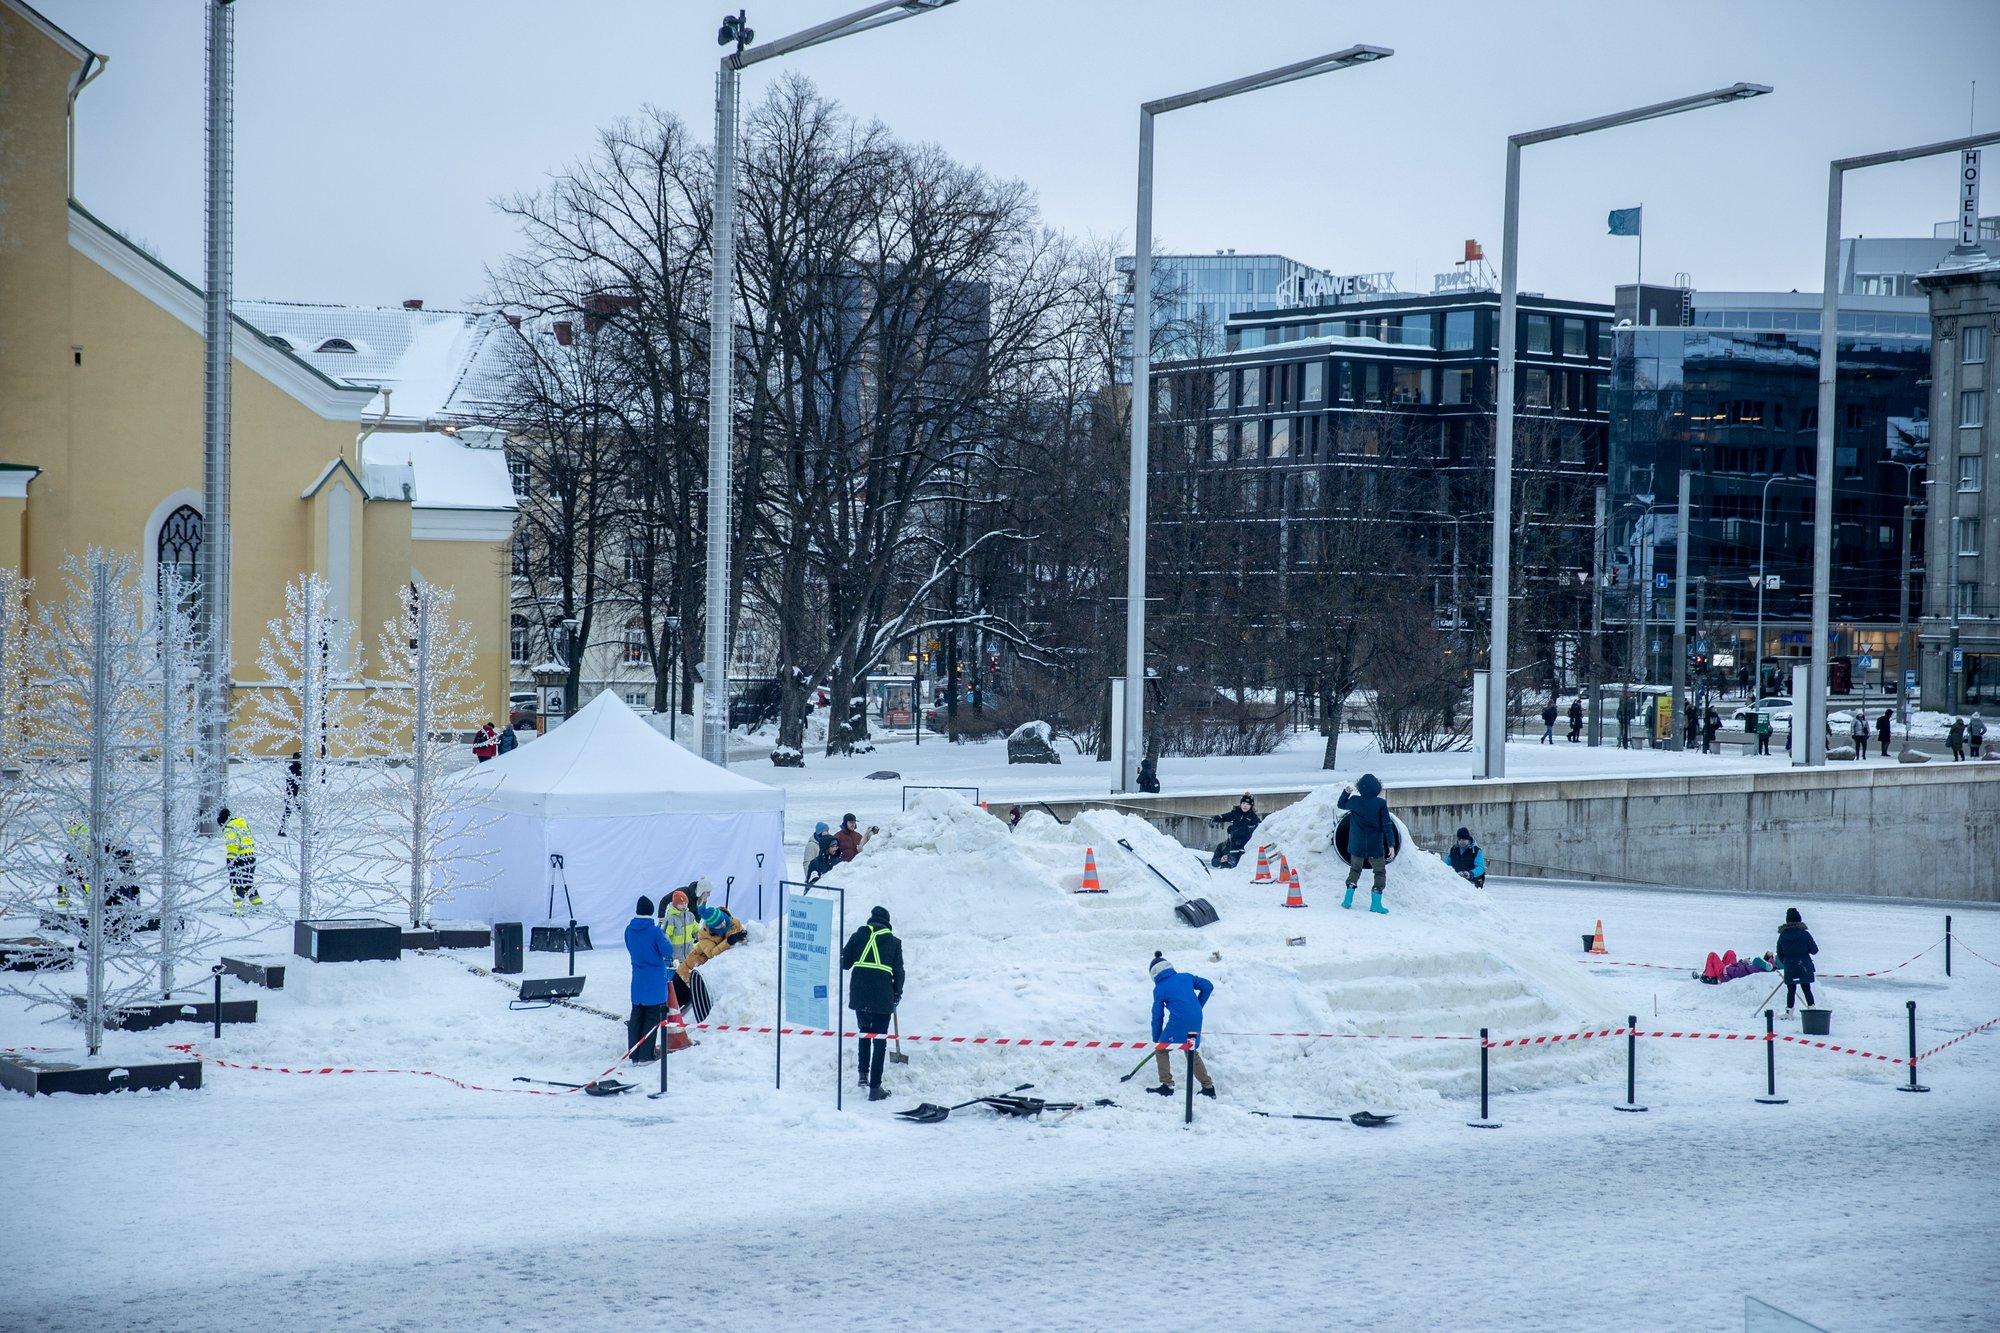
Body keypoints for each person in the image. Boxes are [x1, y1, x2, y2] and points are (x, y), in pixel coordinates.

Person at [841, 906, 905, 1101]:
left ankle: (863, 1075)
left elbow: (844, 963)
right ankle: (875, 1088)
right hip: (882, 998)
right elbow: (899, 973)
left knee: (864, 1033)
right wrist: (897, 993)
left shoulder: (858, 935)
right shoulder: (894, 942)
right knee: (879, 1040)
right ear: (887, 922)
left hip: (859, 996)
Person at [1146, 952, 1216, 1099]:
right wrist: (1197, 1005)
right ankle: (1208, 1087)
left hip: (1179, 1021)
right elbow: (1208, 986)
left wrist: (1157, 1038)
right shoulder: (1186, 977)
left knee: (1161, 1050)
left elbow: (1157, 1016)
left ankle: (1167, 1085)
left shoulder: (1160, 989)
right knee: (1191, 1051)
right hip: (1197, 1019)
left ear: (1154, 974)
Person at [1336, 773, 1394, 914]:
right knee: (1379, 872)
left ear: (1360, 787)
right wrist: (1391, 845)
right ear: (1377, 788)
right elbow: (1387, 824)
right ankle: (1376, 904)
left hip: (1357, 845)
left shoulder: (1355, 801)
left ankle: (1348, 900)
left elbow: (1341, 804)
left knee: (1355, 870)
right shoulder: (1380, 803)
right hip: (1375, 846)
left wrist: (1346, 793)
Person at [624, 895, 670, 1063]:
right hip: (654, 979)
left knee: (636, 1015)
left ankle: (634, 1054)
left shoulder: (629, 929)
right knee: (652, 1016)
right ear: (651, 911)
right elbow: (667, 951)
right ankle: (646, 1056)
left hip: (638, 979)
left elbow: (630, 947)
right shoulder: (655, 931)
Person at [678, 904, 749, 980]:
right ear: (712, 927)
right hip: (691, 969)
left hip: (716, 971)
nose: (723, 925)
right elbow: (711, 954)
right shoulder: (704, 936)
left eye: (723, 921)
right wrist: (729, 941)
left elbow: (743, 941)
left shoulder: (734, 922)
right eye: (719, 925)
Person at [1775, 907, 1819, 1019]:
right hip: (1804, 965)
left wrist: (1786, 961)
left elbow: (1779, 953)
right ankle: (1811, 1009)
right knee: (1806, 988)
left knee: (1791, 989)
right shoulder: (1805, 934)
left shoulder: (1782, 936)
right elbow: (1814, 950)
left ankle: (1789, 1012)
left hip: (1790, 966)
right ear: (1799, 920)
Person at [220, 807, 259, 912]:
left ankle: (238, 909)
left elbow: (233, 846)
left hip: (239, 859)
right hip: (251, 857)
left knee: (236, 884)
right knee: (247, 882)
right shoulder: (242, 823)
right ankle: (258, 905)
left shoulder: (229, 827)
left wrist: (230, 861)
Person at [1207, 794, 1261, 869]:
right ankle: (1232, 872)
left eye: (1248, 804)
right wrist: (1215, 818)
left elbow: (1261, 827)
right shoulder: (1235, 813)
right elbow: (1224, 816)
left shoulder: (1253, 816)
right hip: (1234, 842)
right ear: (1240, 804)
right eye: (1243, 803)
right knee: (1233, 861)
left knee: (1243, 862)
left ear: (1251, 806)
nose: (1245, 806)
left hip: (1245, 843)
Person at [660, 888, 701, 968]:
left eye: (685, 903)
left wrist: (702, 939)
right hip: (675, 958)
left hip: (689, 954)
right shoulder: (671, 919)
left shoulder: (690, 916)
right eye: (681, 904)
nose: (684, 905)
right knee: (677, 977)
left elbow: (696, 931)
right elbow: (666, 936)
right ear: (675, 905)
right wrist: (668, 952)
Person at [278, 750, 302, 837]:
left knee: (294, 812)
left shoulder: (298, 768)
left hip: (293, 795)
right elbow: (294, 782)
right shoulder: (294, 769)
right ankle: (281, 830)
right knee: (291, 812)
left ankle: (281, 830)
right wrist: (294, 796)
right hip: (292, 795)